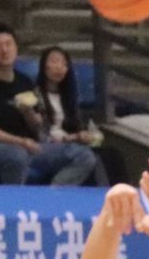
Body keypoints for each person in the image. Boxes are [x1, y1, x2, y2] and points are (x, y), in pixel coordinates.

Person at [0, 23, 99, 187]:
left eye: (8, 44)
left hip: (30, 145)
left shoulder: (25, 82)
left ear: (16, 48)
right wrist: (20, 142)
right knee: (17, 157)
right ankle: (15, 201)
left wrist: (28, 114)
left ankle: (52, 196)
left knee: (84, 156)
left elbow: (37, 126)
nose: (4, 50)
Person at [36, 45, 120, 187]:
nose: (59, 67)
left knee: (111, 154)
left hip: (69, 144)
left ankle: (113, 193)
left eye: (64, 64)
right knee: (86, 157)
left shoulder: (68, 97)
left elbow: (76, 126)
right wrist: (72, 138)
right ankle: (56, 190)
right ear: (43, 66)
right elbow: (41, 132)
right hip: (45, 145)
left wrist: (85, 136)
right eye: (54, 61)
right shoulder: (35, 95)